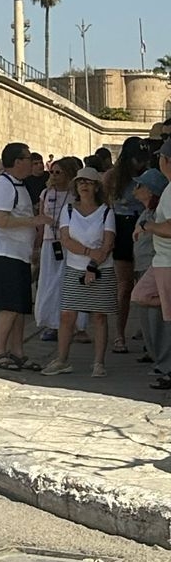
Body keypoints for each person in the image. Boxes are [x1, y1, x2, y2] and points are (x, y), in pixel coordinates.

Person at [42, 171, 118, 379]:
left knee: (99, 316)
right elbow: (66, 239)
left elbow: (108, 243)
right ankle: (62, 359)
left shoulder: (105, 212)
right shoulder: (68, 210)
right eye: (81, 182)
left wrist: (93, 265)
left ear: (96, 187)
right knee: (67, 315)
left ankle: (98, 363)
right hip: (75, 267)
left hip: (100, 269)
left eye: (89, 182)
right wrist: (87, 253)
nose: (84, 186)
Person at [0, 143, 38, 372]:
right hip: (4, 252)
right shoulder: (3, 186)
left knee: (20, 306)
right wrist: (35, 221)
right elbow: (1, 220)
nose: (32, 162)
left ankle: (17, 351)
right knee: (8, 306)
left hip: (18, 253)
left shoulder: (18, 185)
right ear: (17, 161)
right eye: (28, 158)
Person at [130, 141, 171, 393]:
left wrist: (148, 227)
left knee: (168, 320)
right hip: (161, 262)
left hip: (167, 262)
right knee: (142, 296)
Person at [105, 139, 150, 354]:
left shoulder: (148, 176)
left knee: (145, 284)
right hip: (122, 228)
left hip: (143, 226)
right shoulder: (113, 178)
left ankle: (147, 332)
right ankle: (119, 334)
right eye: (137, 159)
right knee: (124, 287)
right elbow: (105, 207)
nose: (140, 164)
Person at [34, 157, 83, 347]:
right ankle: (52, 323)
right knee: (49, 283)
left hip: (70, 244)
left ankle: (78, 325)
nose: (53, 176)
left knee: (69, 282)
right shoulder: (45, 193)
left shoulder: (75, 195)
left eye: (58, 172)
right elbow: (40, 220)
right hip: (49, 243)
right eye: (52, 172)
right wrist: (36, 246)